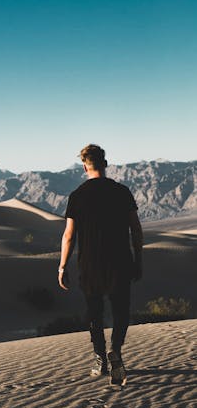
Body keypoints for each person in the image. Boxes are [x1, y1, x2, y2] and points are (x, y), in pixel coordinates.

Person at [58, 144, 143, 385]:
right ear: (105, 164)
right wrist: (139, 258)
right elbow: (135, 229)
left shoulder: (77, 196)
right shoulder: (122, 192)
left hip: (89, 265)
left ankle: (99, 360)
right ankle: (116, 351)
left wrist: (62, 266)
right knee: (120, 312)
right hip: (120, 262)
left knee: (94, 314)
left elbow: (69, 235)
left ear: (84, 166)